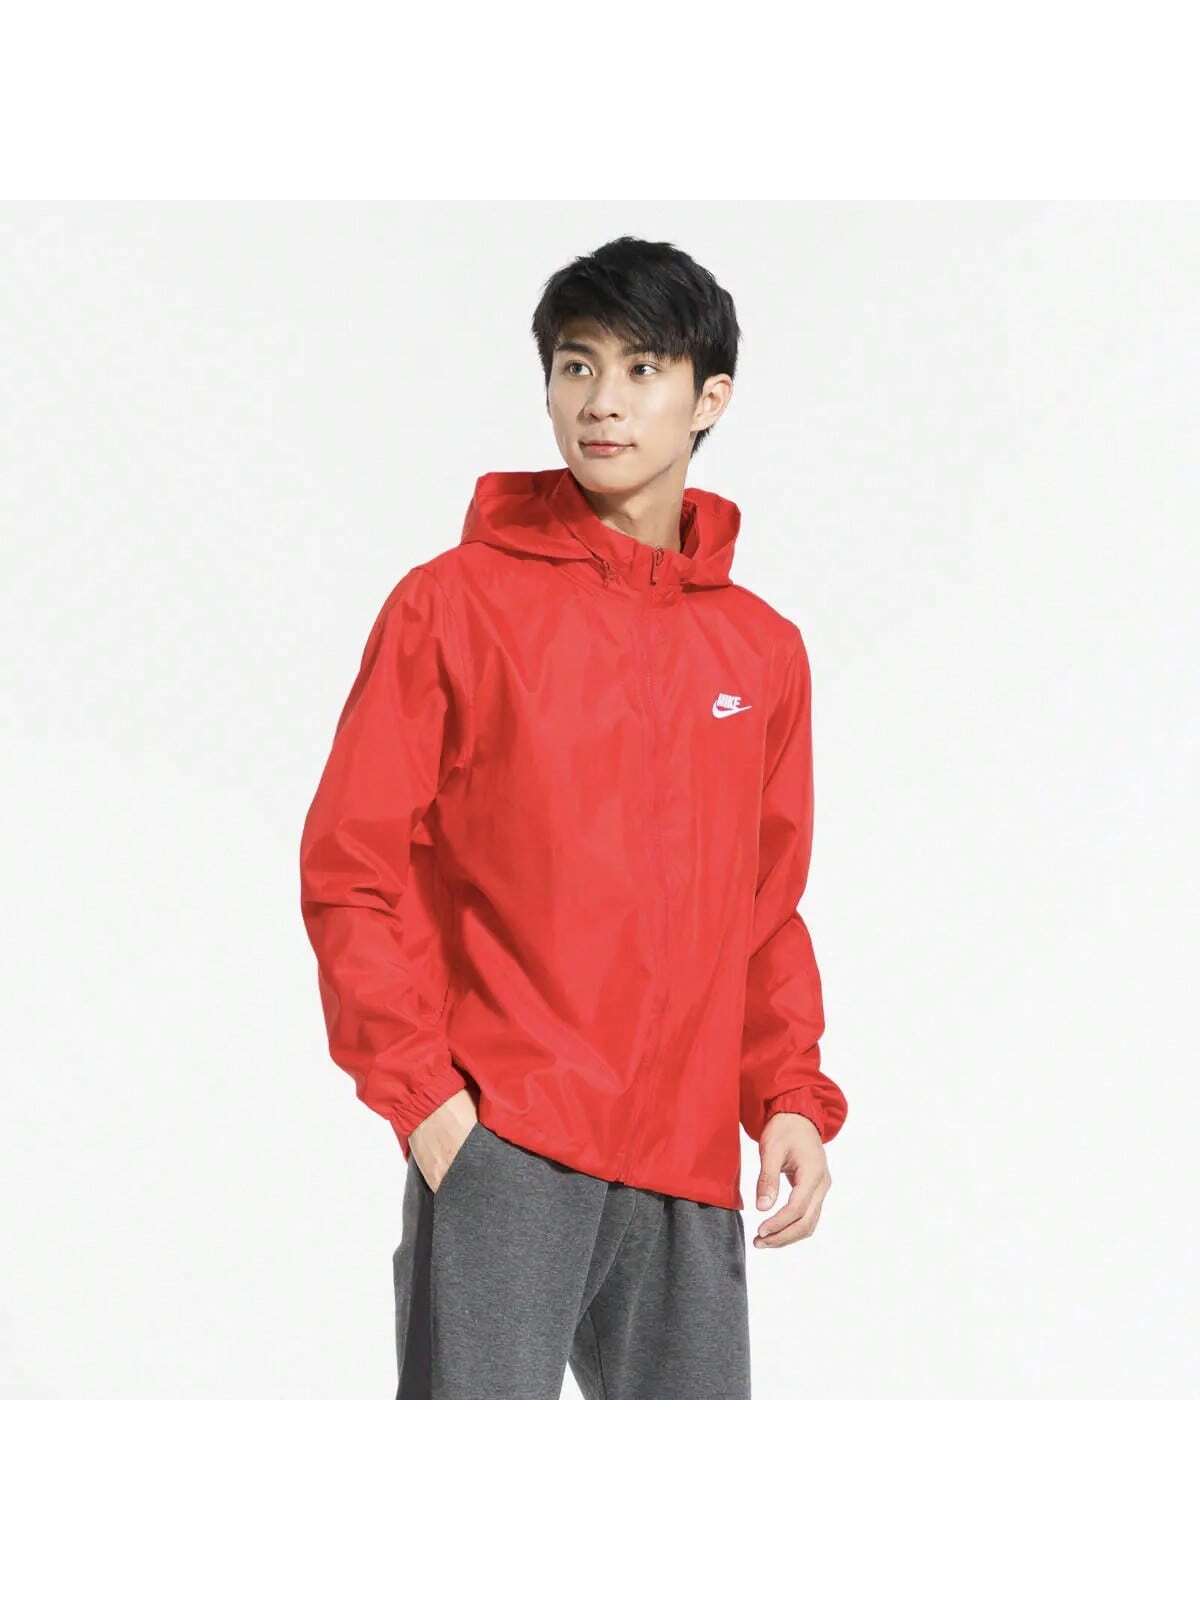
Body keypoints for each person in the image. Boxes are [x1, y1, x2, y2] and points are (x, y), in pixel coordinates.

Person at [298, 234, 849, 1399]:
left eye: (642, 369)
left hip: (686, 1168)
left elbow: (762, 908)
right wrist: (428, 1104)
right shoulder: (453, 606)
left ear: (710, 397)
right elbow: (352, 869)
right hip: (508, 1144)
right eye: (576, 365)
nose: (601, 402)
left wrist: (787, 1096)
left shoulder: (760, 651)